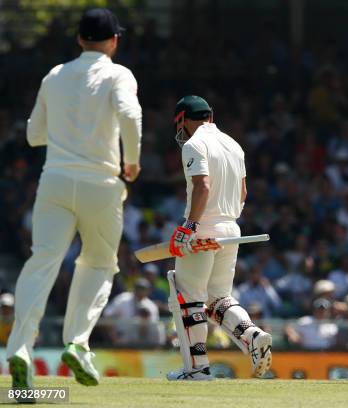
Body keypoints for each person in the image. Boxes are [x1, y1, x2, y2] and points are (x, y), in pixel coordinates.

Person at [6, 8, 142, 389]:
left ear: (79, 39)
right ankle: (78, 343)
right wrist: (131, 161)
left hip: (56, 182)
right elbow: (130, 115)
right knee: (98, 263)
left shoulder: (55, 75)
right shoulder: (119, 74)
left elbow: (35, 135)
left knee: (42, 262)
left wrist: (69, 133)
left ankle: (19, 348)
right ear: (114, 41)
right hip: (101, 182)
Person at [165, 95, 272, 381]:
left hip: (203, 230)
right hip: (231, 229)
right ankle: (252, 335)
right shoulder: (233, 145)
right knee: (217, 301)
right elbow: (243, 193)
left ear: (184, 119)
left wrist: (190, 226)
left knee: (188, 298)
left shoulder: (194, 144)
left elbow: (202, 186)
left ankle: (196, 369)